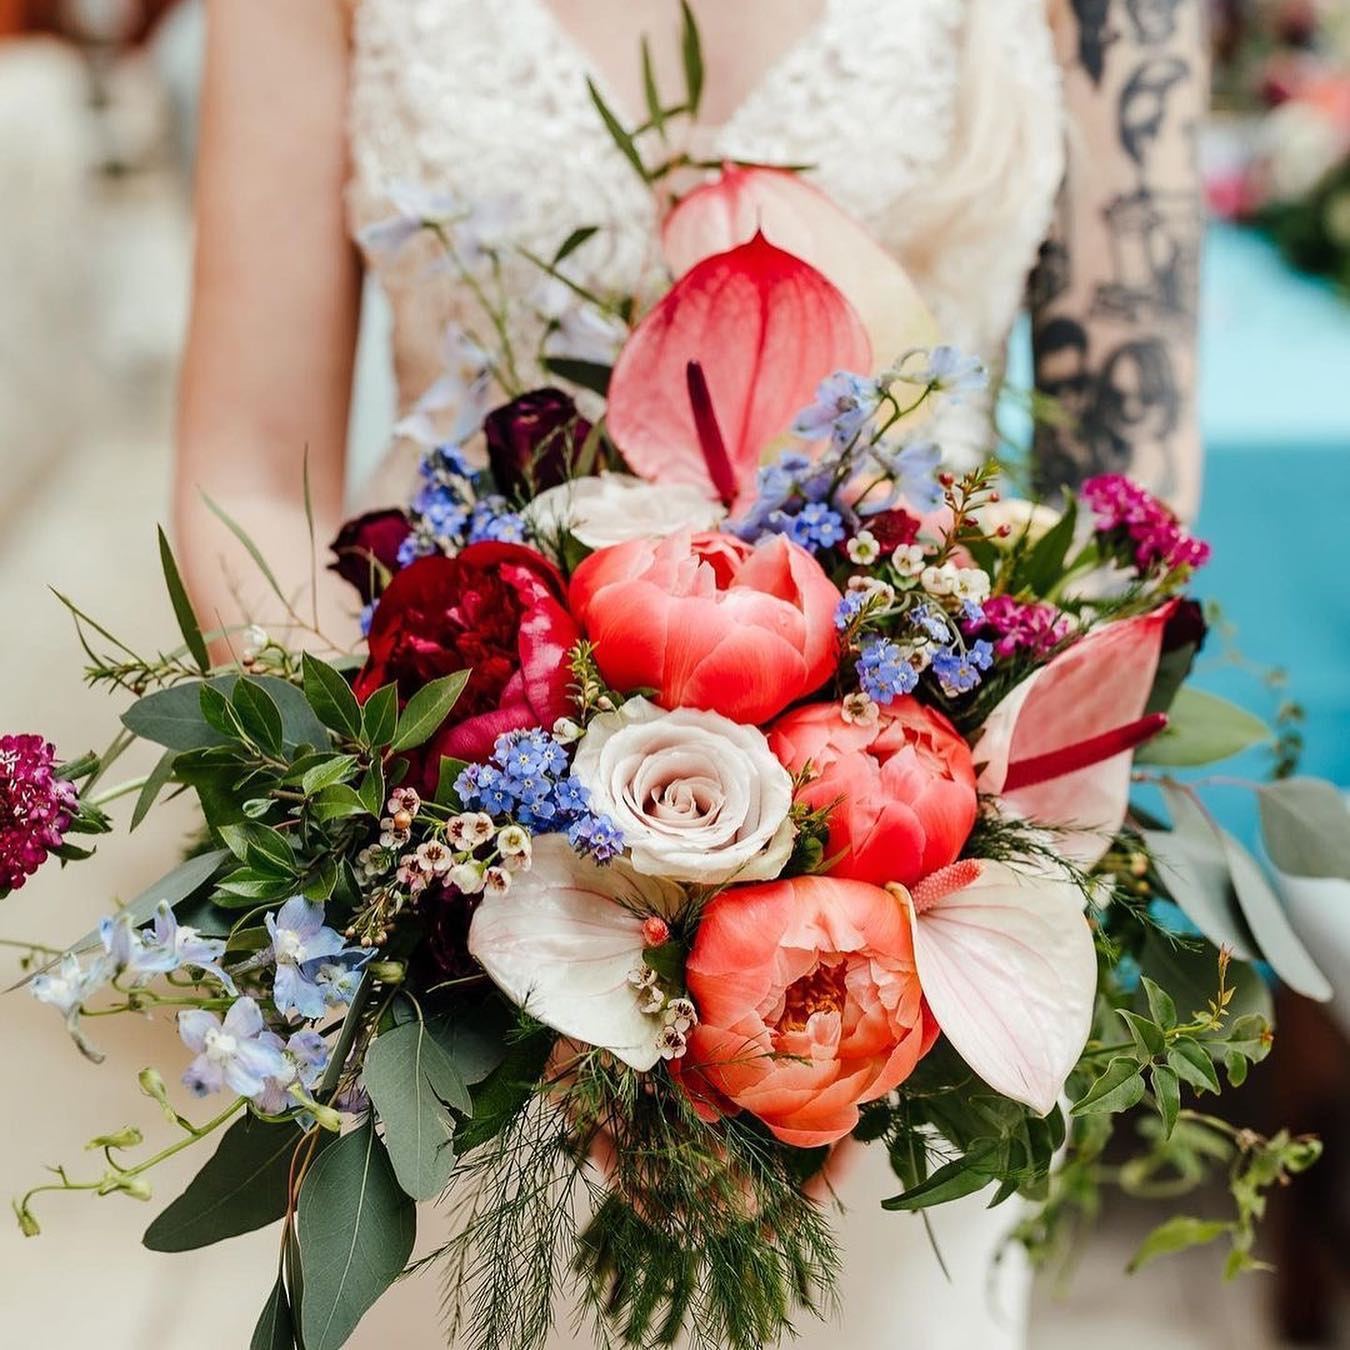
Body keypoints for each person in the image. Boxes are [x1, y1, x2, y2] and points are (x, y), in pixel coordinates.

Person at [174, 2, 1209, 1346]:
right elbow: (244, 470)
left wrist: (845, 996)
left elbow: (1125, 515)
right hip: (464, 936)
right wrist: (419, 865)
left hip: (899, 950)